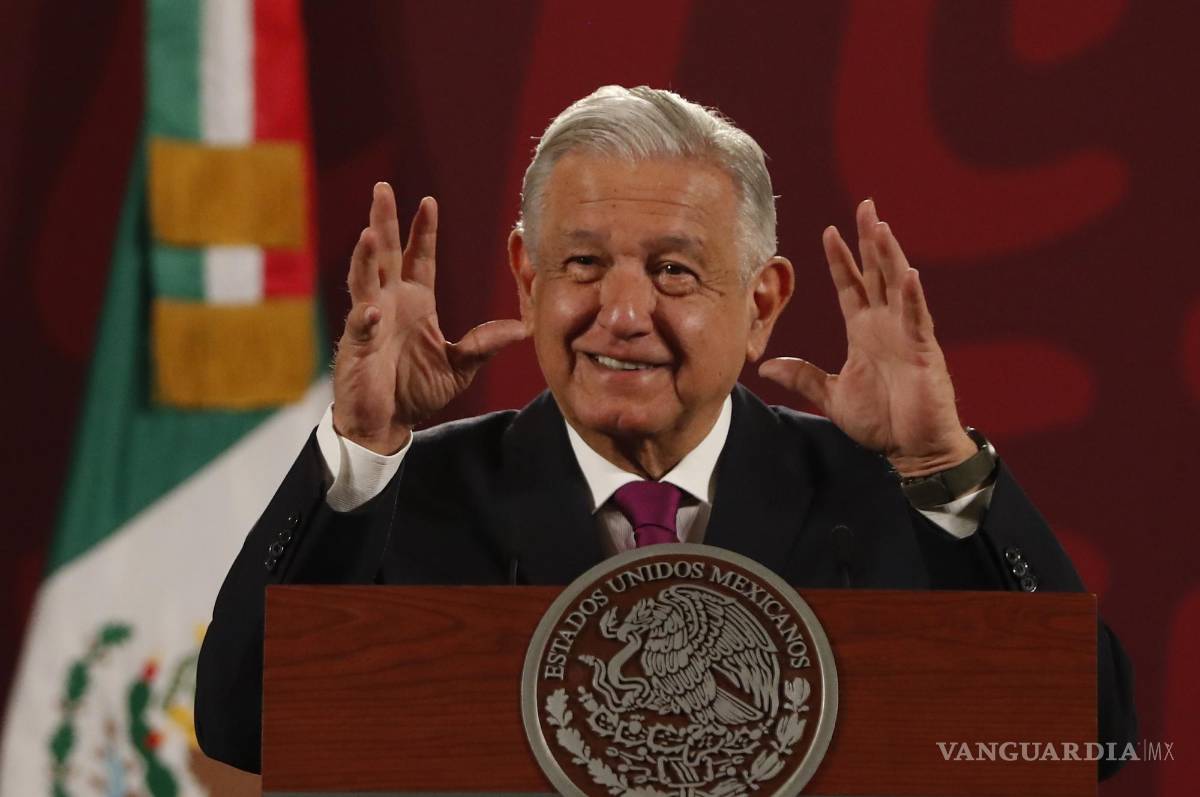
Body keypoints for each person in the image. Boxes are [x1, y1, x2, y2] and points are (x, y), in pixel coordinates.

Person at [195, 86, 1135, 777]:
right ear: (527, 279)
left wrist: (941, 466)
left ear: (762, 303)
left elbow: (1093, 736)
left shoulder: (880, 497)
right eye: (584, 264)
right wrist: (359, 448)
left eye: (675, 272)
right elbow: (240, 723)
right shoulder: (413, 494)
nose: (623, 312)